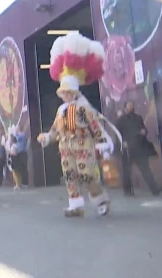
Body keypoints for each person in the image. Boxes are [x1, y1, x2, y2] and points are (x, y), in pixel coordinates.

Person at [37, 32, 113, 218]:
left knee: (86, 174)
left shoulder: (83, 108)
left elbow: (95, 126)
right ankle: (75, 205)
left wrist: (102, 142)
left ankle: (101, 200)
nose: (66, 96)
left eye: (69, 92)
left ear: (74, 92)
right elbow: (56, 129)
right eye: (64, 93)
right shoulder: (61, 110)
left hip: (82, 144)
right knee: (70, 175)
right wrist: (47, 137)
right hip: (65, 147)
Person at [116, 101, 161, 196]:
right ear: (125, 108)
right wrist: (121, 143)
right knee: (127, 171)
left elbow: (143, 128)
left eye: (132, 106)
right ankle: (127, 191)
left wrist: (144, 131)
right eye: (129, 106)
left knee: (145, 169)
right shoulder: (121, 120)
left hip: (139, 148)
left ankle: (154, 189)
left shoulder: (138, 118)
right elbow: (117, 134)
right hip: (128, 149)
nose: (131, 107)